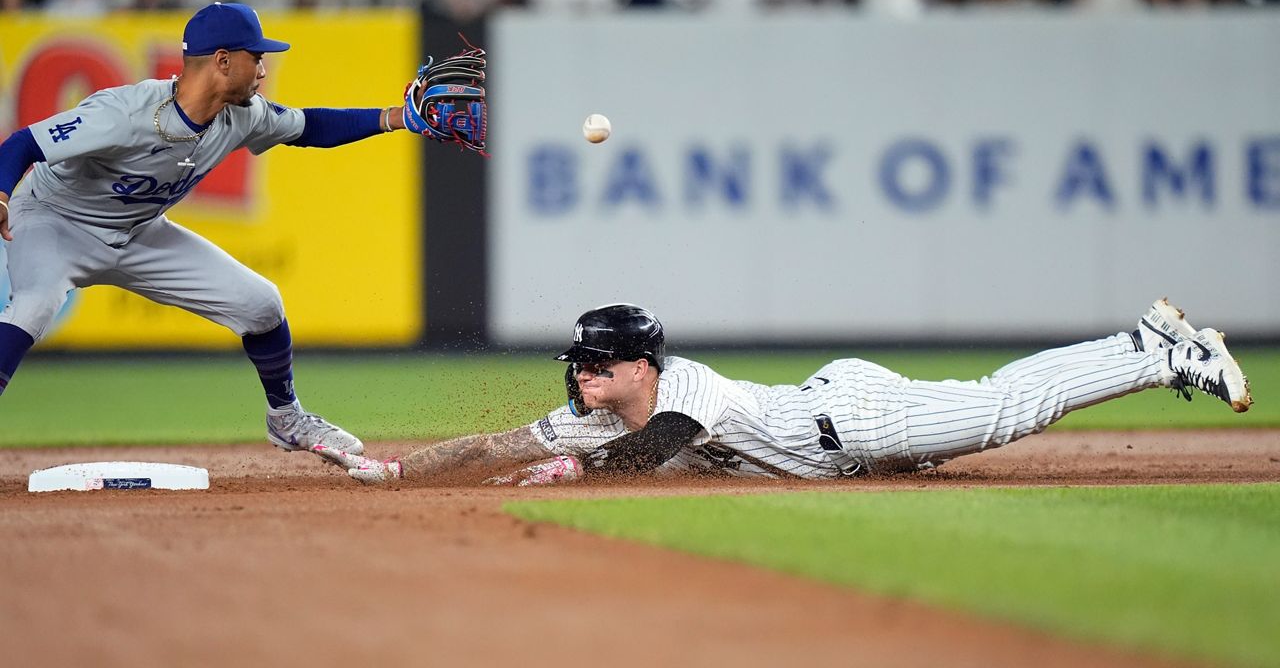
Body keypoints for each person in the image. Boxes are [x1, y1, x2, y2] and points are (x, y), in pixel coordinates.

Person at [0, 2, 438, 455]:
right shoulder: (123, 111)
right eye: (257, 57)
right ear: (223, 60)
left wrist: (397, 117)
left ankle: (287, 419)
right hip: (54, 220)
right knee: (33, 307)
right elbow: (22, 143)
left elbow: (311, 125)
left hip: (138, 231)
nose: (264, 69)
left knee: (261, 304)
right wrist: (1, 195)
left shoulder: (243, 115)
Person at [314, 299, 1253, 485]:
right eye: (580, 362)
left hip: (850, 420)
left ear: (640, 365)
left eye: (599, 362)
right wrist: (398, 474)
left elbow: (653, 451)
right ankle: (1148, 348)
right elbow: (490, 449)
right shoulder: (595, 409)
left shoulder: (680, 387)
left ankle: (1155, 349)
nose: (583, 374)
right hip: (830, 436)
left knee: (1003, 409)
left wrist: (569, 474)